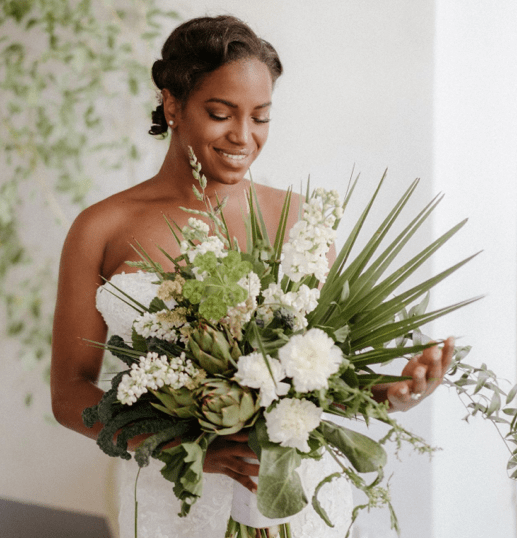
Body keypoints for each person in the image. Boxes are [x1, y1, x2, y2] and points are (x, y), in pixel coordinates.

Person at [51, 15, 455, 538]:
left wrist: (393, 392)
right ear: (172, 105)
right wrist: (184, 445)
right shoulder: (101, 228)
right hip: (173, 498)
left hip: (294, 493)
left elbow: (323, 378)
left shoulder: (303, 222)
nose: (243, 136)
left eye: (261, 117)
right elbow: (69, 393)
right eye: (220, 113)